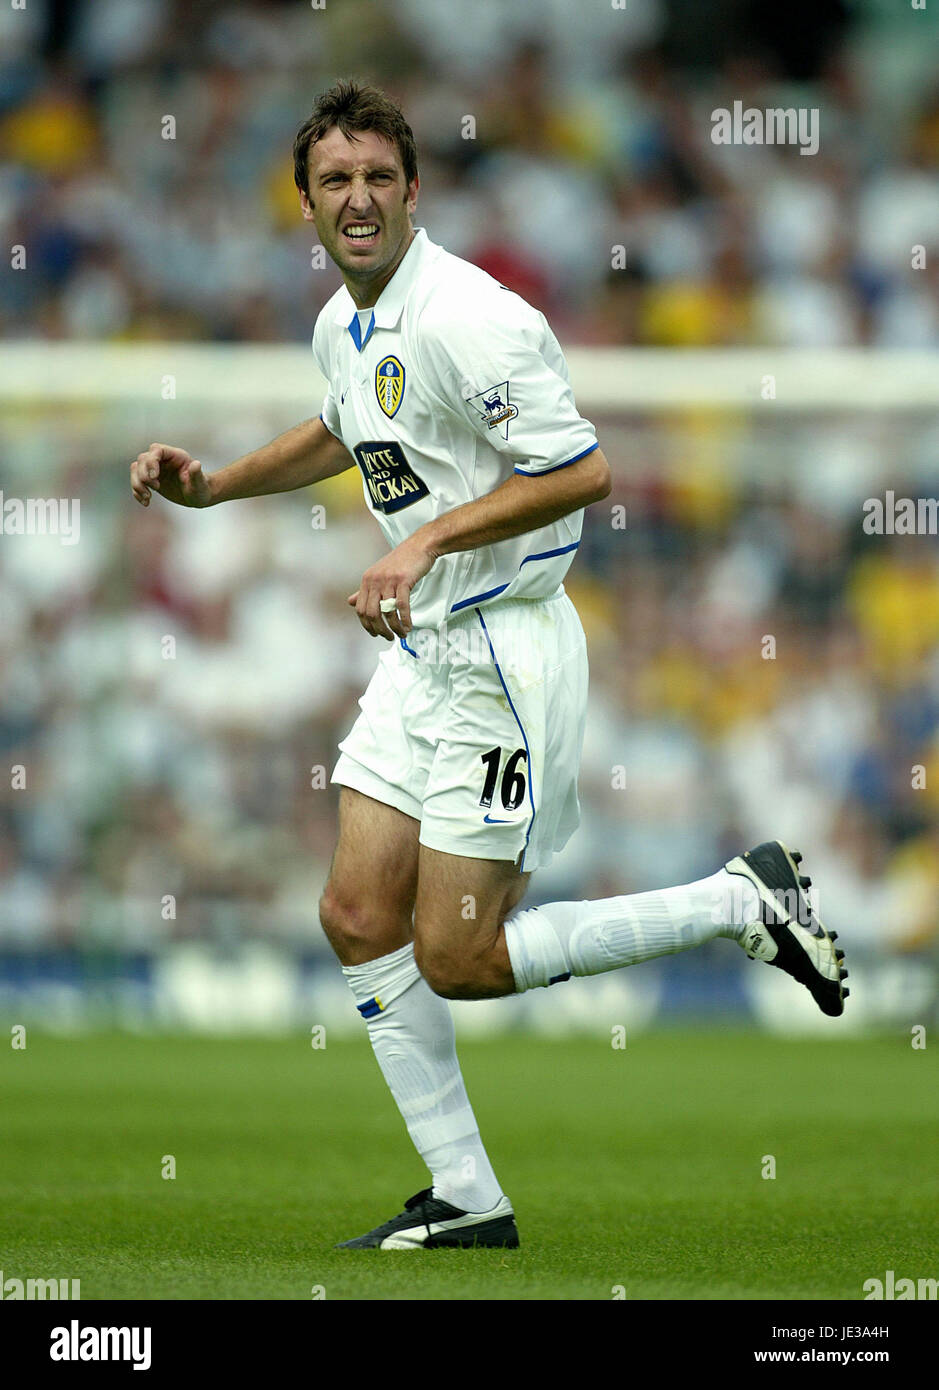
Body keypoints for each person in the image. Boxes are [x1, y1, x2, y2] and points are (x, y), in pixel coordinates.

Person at [129, 80, 848, 1251]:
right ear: (304, 204)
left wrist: (417, 539)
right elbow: (346, 425)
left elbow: (584, 471)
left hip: (505, 645)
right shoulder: (343, 322)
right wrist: (212, 486)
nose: (356, 199)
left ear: (413, 190)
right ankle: (466, 1194)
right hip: (424, 650)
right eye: (333, 182)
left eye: (376, 178)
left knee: (459, 957)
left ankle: (738, 900)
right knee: (358, 913)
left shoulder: (473, 314)